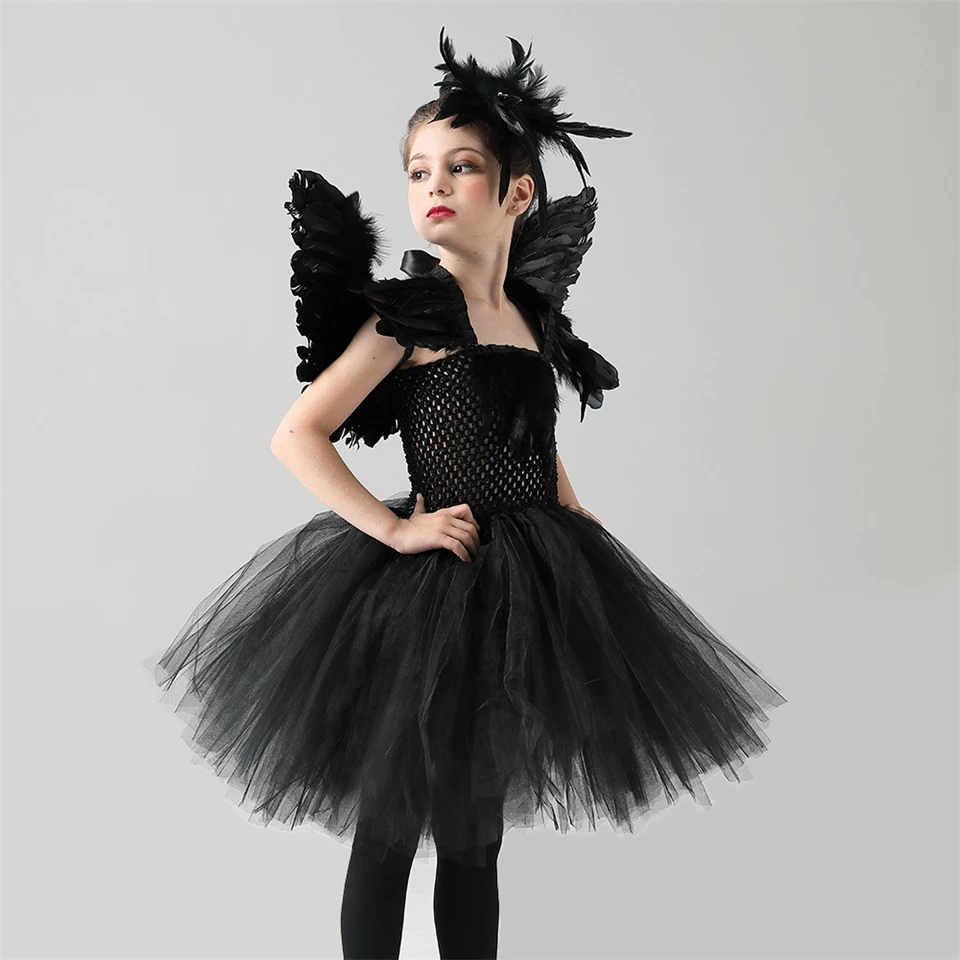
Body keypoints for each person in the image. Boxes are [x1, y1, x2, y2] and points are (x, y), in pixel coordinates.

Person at [142, 27, 787, 960]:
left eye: (462, 167)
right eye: (417, 171)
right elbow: (298, 433)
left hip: (528, 584)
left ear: (517, 193)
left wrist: (571, 511)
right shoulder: (412, 315)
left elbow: (532, 434)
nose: (433, 186)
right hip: (435, 591)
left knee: (474, 833)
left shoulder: (531, 315)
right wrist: (392, 529)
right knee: (392, 824)